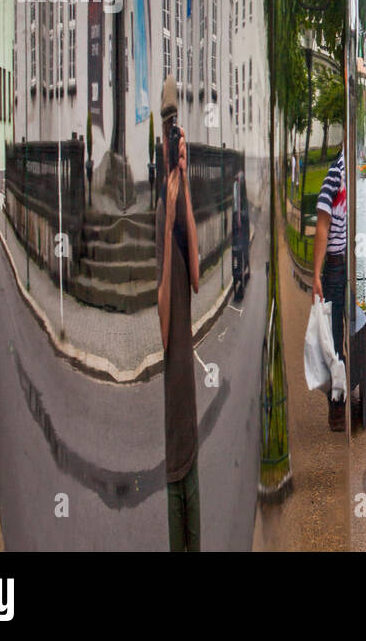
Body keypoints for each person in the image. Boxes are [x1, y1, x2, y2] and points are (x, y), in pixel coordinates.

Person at [155, 76, 201, 552]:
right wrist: (167, 211)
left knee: (189, 481)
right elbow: (162, 323)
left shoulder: (176, 191)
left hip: (183, 387)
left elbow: (197, 275)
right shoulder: (155, 215)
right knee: (176, 482)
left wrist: (183, 187)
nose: (177, 151)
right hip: (170, 385)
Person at [313, 149, 349, 431]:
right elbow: (322, 224)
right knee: (335, 340)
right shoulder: (336, 172)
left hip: (356, 262)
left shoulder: (358, 168)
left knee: (358, 331)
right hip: (337, 264)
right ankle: (337, 405)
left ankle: (353, 392)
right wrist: (316, 273)